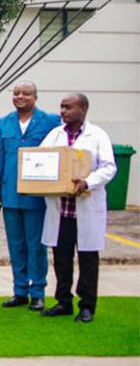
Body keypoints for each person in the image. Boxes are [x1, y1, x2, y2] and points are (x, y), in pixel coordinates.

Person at [39, 93, 116, 323]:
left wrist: (87, 182)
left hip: (85, 208)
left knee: (87, 259)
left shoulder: (98, 136)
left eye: (68, 107)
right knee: (61, 258)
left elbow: (109, 167)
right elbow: (42, 159)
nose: (63, 111)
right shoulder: (55, 134)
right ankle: (63, 301)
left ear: (83, 110)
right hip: (60, 210)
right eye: (62, 107)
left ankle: (87, 305)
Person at [0, 82, 59, 311]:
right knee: (15, 245)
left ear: (35, 97)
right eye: (17, 93)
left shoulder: (50, 121)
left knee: (36, 245)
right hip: (10, 194)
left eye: (26, 94)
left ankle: (38, 292)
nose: (21, 97)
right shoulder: (5, 122)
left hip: (36, 195)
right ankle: (19, 291)